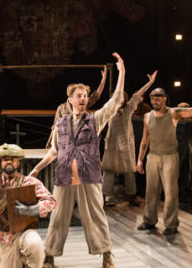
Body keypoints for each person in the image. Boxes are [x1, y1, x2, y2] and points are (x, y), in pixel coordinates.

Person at [29, 53, 126, 268]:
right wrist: (37, 169)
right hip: (64, 177)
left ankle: (106, 254)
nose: (83, 98)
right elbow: (54, 151)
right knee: (57, 217)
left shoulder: (95, 120)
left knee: (96, 216)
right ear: (70, 100)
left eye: (85, 96)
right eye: (79, 95)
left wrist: (122, 73)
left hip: (88, 177)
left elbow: (114, 102)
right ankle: (49, 254)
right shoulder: (61, 124)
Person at [135, 84, 192, 234]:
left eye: (158, 98)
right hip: (153, 156)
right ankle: (149, 220)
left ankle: (171, 224)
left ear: (164, 99)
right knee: (151, 191)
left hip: (169, 157)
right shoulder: (147, 117)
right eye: (152, 98)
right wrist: (140, 160)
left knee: (170, 192)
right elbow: (145, 139)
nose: (155, 101)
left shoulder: (173, 113)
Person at [101, 70, 157, 207]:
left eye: (122, 99)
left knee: (130, 171)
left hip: (126, 145)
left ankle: (132, 195)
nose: (120, 101)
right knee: (109, 171)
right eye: (118, 99)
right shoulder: (109, 110)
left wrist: (150, 82)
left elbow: (137, 95)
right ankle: (103, 197)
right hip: (112, 145)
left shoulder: (128, 109)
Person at [46, 67, 107, 148]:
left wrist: (103, 80)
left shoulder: (82, 103)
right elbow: (55, 126)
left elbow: (96, 96)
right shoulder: (62, 108)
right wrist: (50, 142)